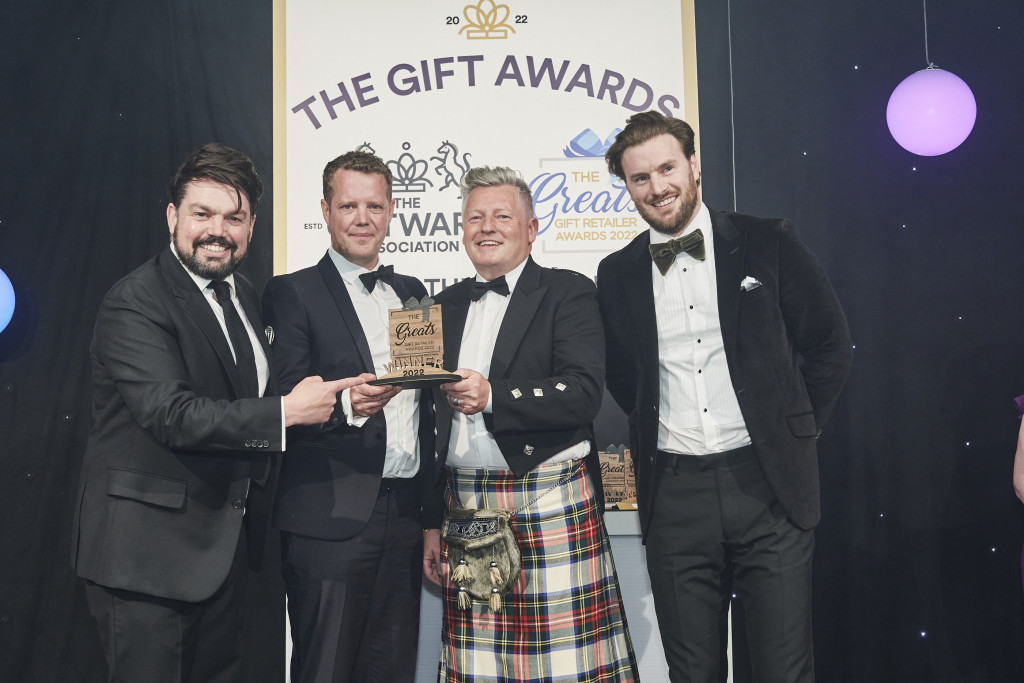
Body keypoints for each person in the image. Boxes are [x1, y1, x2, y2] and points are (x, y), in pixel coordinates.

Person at [71, 143, 361, 683]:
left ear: (252, 226)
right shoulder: (136, 300)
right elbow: (172, 414)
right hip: (148, 564)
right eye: (203, 214)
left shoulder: (243, 296)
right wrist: (285, 413)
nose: (218, 231)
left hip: (224, 558)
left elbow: (256, 400)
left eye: (235, 217)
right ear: (172, 216)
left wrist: (337, 406)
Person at [597, 111, 853, 682]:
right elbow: (624, 378)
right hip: (674, 499)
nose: (658, 187)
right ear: (628, 188)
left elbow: (830, 347)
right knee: (692, 674)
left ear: (694, 165)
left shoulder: (768, 241)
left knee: (782, 673)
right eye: (641, 178)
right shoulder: (615, 273)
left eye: (667, 168)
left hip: (769, 489)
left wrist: (792, 430)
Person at [422, 166, 639, 683]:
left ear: (532, 228)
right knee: (481, 671)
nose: (487, 227)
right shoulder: (440, 307)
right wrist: (430, 518)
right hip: (465, 506)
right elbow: (426, 425)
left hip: (549, 499)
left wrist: (495, 397)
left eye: (502, 215)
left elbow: (585, 392)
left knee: (570, 671)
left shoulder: (568, 292)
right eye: (475, 217)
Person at [261, 150, 435, 683]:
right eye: (349, 205)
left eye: (375, 206)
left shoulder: (413, 292)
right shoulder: (291, 292)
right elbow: (286, 394)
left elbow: (424, 404)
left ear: (391, 212)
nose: (363, 218)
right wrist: (346, 407)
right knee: (328, 668)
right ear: (325, 210)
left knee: (394, 668)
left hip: (404, 512)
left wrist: (429, 515)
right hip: (331, 517)